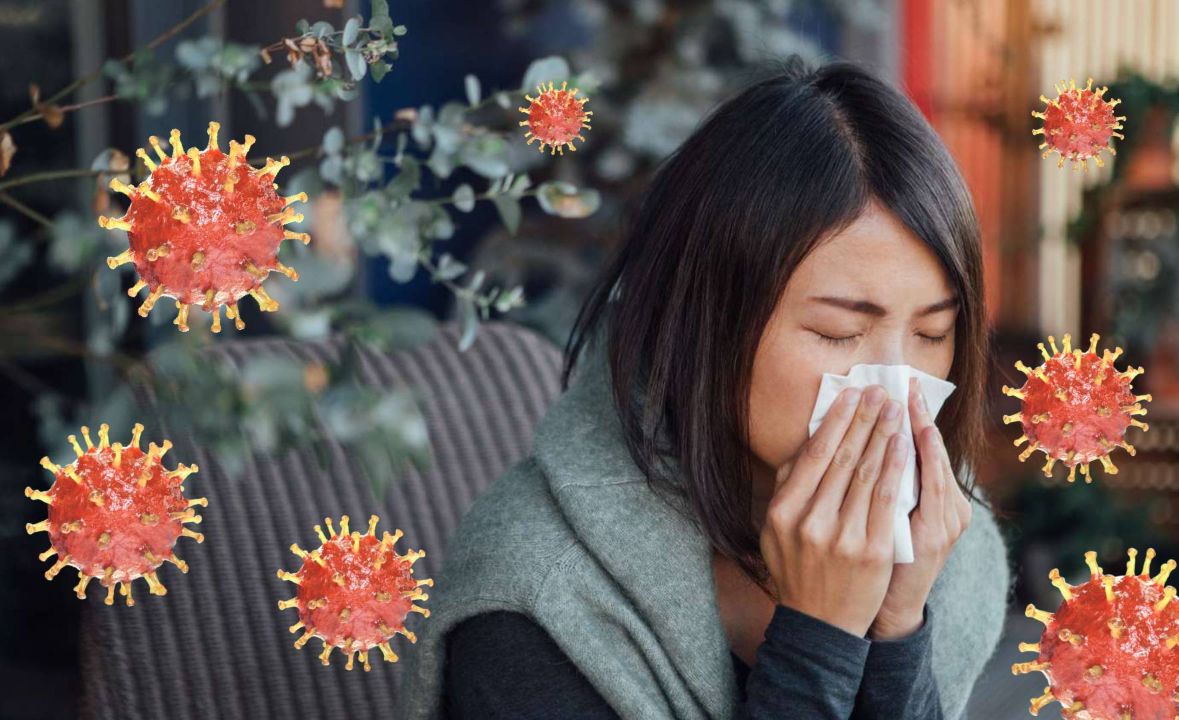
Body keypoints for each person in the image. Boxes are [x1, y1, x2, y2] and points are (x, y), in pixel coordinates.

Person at [396, 56, 1010, 720]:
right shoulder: (538, 601)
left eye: (932, 333)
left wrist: (897, 634)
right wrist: (819, 643)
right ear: (704, 322)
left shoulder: (947, 550)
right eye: (838, 332)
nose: (894, 388)